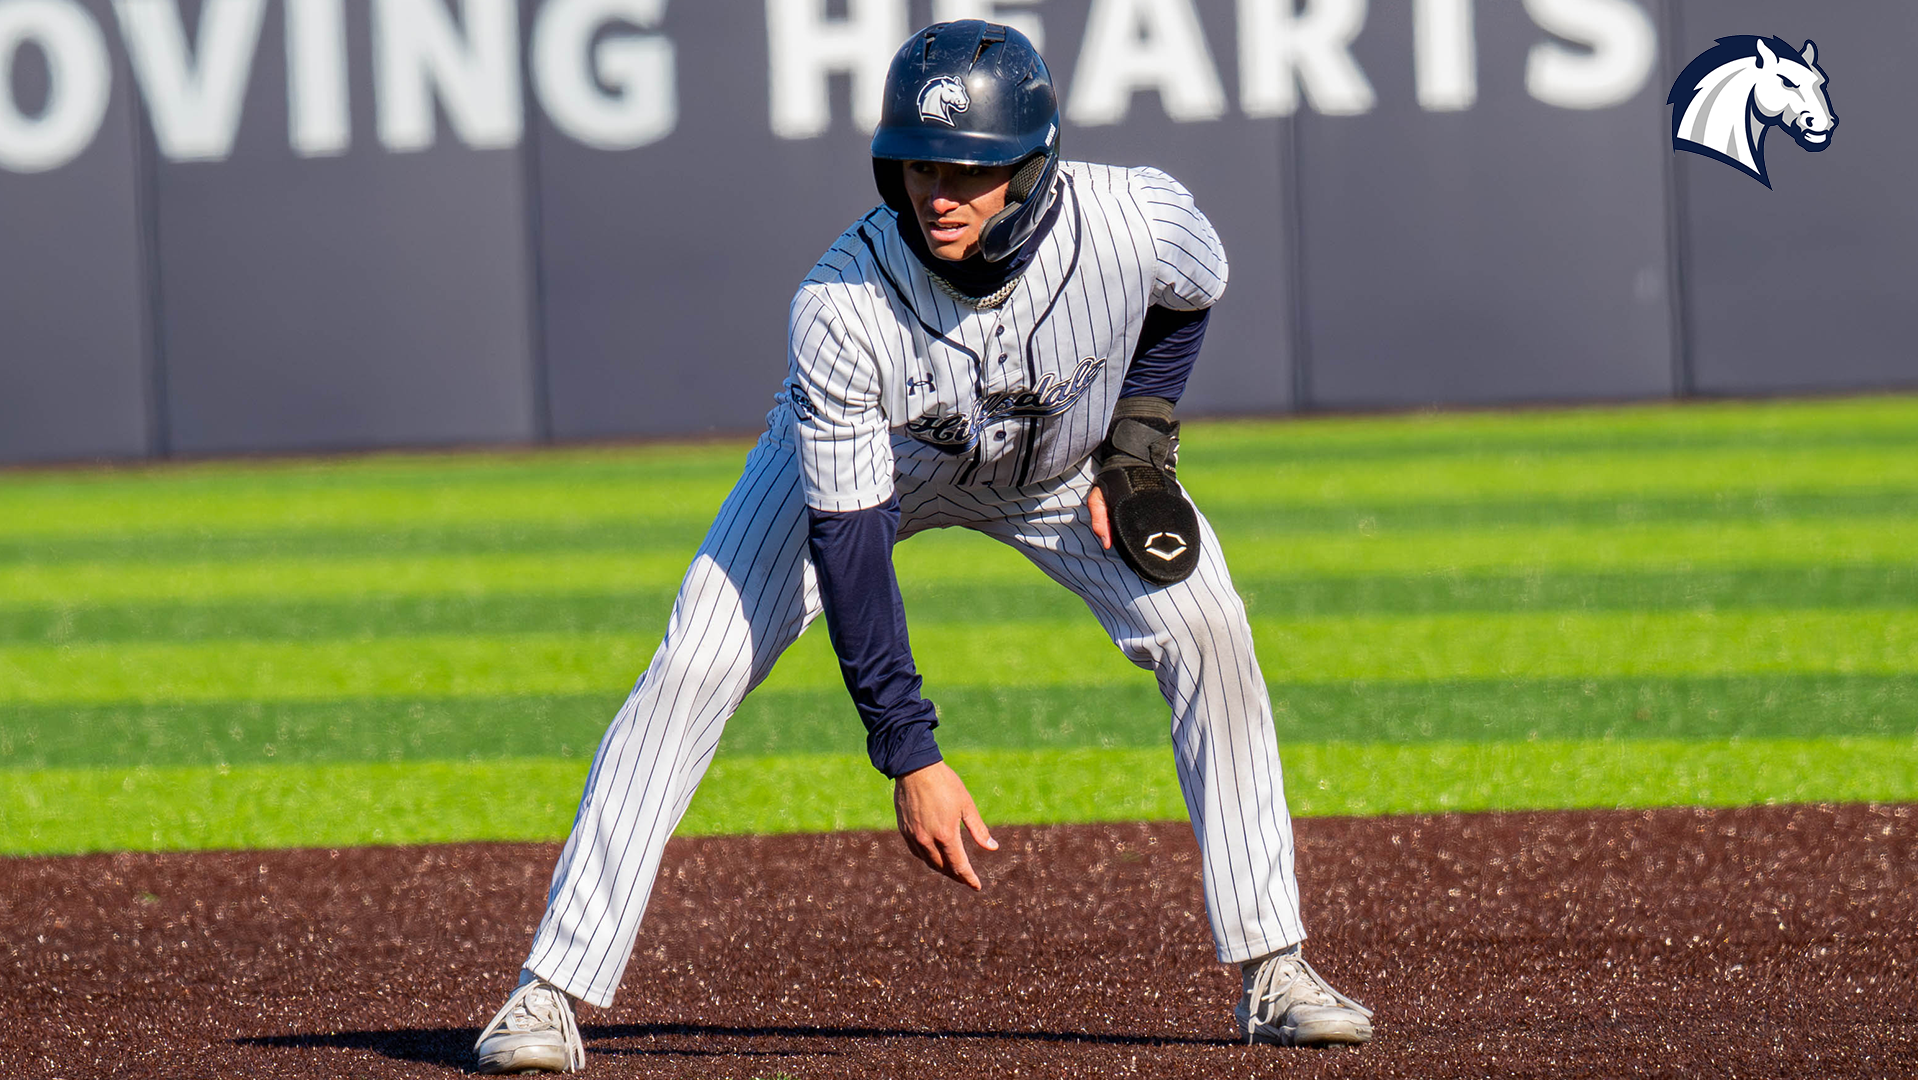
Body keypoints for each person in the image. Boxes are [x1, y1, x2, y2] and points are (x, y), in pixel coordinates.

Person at [474, 20, 1373, 1074]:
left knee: (1208, 625)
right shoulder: (841, 305)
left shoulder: (1138, 219)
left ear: (1030, 170)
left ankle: (1274, 969)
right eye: (918, 167)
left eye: (969, 171)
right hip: (868, 475)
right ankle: (547, 992)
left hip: (1056, 474)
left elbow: (1192, 296)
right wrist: (909, 750)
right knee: (696, 662)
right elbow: (852, 546)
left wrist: (1138, 443)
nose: (939, 194)